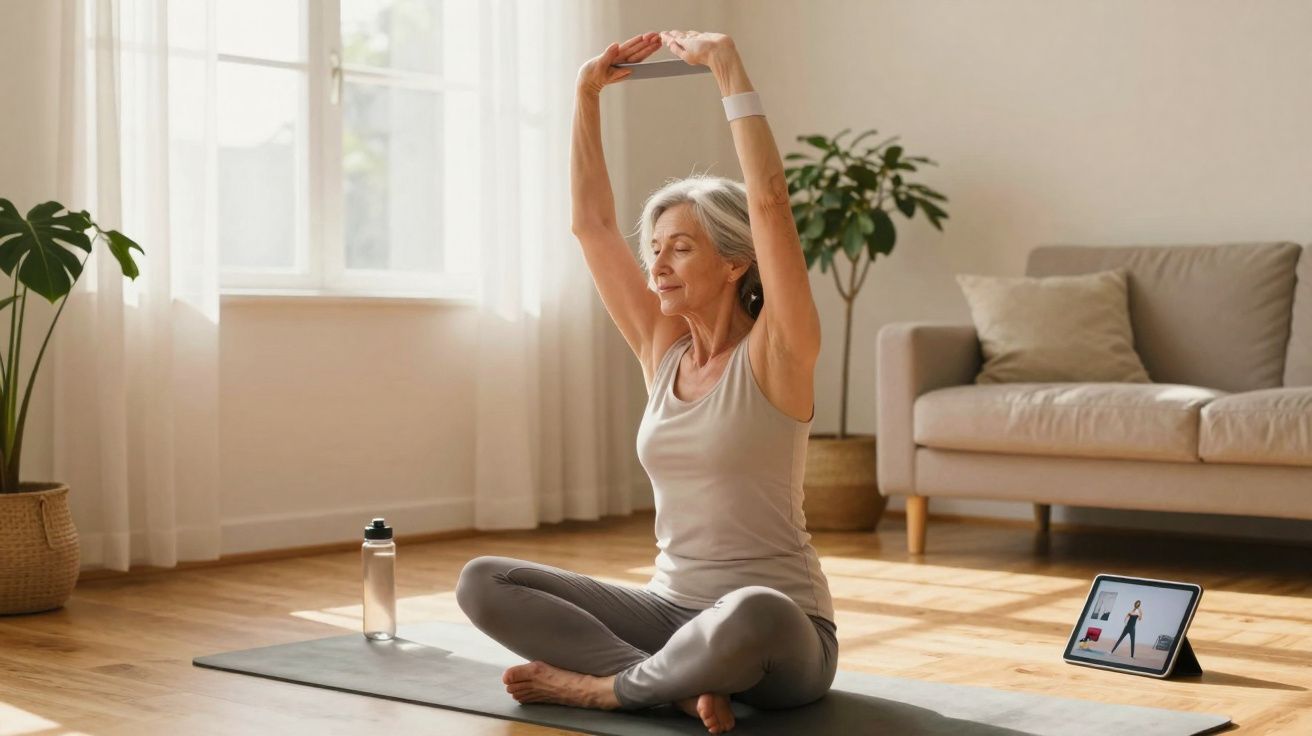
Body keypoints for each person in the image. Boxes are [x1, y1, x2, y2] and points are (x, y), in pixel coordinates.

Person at [454, 30, 835, 736]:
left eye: (680, 248)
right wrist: (585, 95)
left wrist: (727, 69)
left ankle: (608, 690)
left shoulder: (779, 352)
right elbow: (592, 226)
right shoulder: (661, 350)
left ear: (734, 264)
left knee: (750, 611)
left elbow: (772, 204)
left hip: (781, 634)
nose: (657, 264)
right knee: (484, 580)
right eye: (654, 248)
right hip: (666, 616)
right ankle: (674, 687)